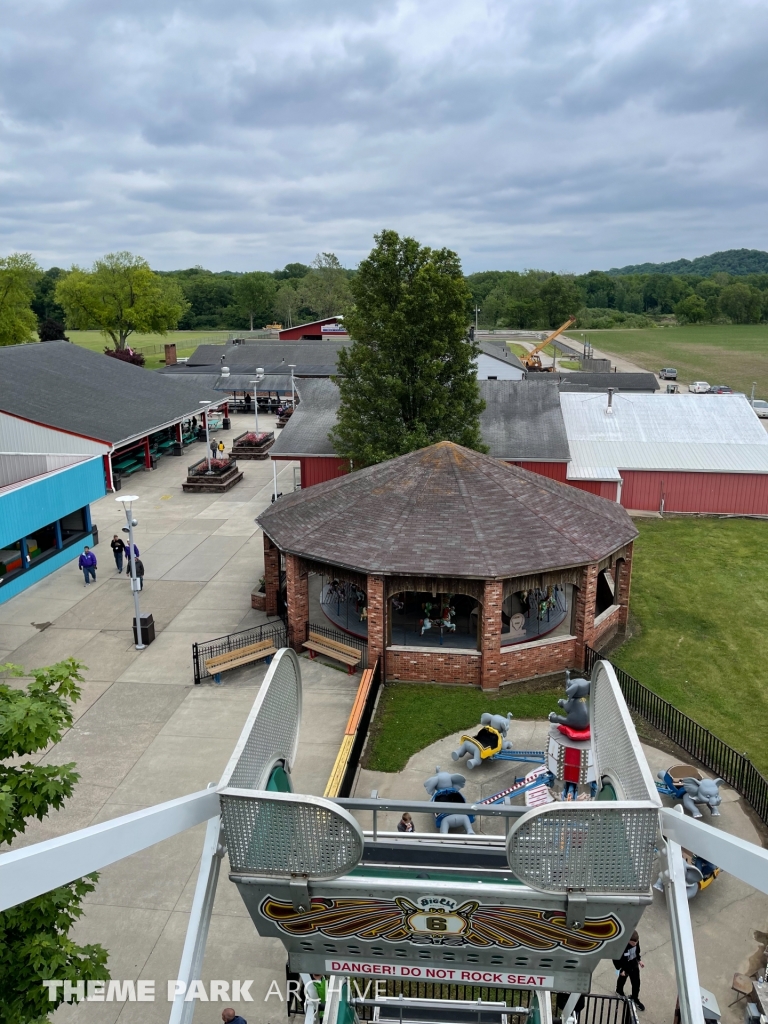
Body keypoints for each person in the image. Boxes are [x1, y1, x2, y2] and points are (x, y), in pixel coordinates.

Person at [613, 930, 645, 1010]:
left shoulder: (636, 941)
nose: (635, 944)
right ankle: (619, 991)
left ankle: (635, 998)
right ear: (628, 940)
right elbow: (615, 959)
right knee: (622, 979)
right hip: (624, 967)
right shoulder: (621, 946)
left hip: (634, 965)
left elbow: (637, 952)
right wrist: (620, 970)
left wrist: (639, 960)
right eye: (633, 943)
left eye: (636, 942)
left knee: (636, 983)